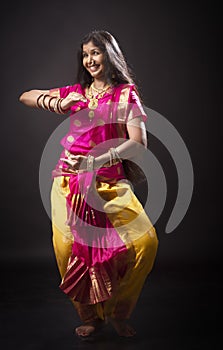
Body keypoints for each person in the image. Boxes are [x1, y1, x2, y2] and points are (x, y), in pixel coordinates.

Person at [19, 30, 159, 339]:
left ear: (109, 54)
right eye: (85, 54)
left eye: (95, 52)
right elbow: (25, 95)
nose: (90, 59)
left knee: (145, 243)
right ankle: (90, 316)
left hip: (110, 182)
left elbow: (138, 143)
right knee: (66, 247)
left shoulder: (125, 94)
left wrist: (95, 161)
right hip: (69, 182)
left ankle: (118, 311)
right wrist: (55, 101)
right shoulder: (77, 91)